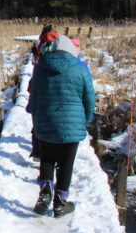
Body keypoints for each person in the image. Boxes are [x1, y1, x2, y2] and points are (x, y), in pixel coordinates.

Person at [26, 35, 95, 217]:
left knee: (47, 159)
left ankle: (46, 190)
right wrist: (85, 120)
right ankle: (60, 202)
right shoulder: (80, 68)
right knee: (66, 163)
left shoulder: (41, 67)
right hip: (73, 123)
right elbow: (89, 98)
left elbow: (34, 98)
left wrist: (36, 119)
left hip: (46, 120)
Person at [28, 25, 58, 159]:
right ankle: (52, 152)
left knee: (37, 122)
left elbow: (34, 61)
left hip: (38, 85)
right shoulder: (60, 44)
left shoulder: (39, 43)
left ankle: (37, 152)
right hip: (55, 90)